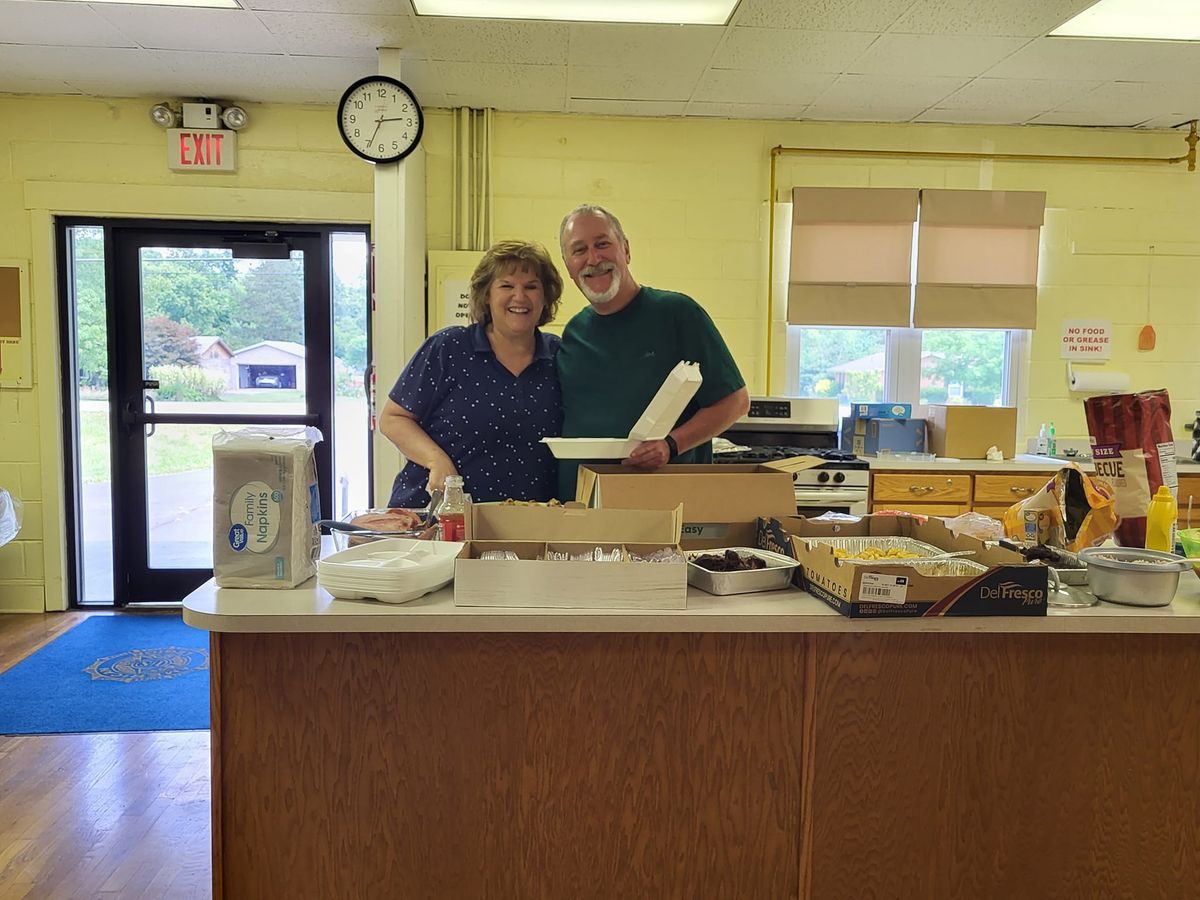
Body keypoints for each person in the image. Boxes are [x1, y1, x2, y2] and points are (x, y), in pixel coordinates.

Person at [555, 203, 750, 500]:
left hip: (667, 506)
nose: (593, 258)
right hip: (587, 508)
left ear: (626, 250)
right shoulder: (574, 334)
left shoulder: (677, 314)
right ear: (568, 266)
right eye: (579, 250)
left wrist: (671, 445)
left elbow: (735, 402)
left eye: (603, 244)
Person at [379, 240, 564, 508]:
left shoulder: (558, 356)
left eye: (531, 287)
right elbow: (393, 419)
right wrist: (436, 459)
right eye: (507, 286)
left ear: (545, 297)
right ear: (486, 295)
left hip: (524, 524)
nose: (520, 297)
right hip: (437, 518)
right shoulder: (449, 348)